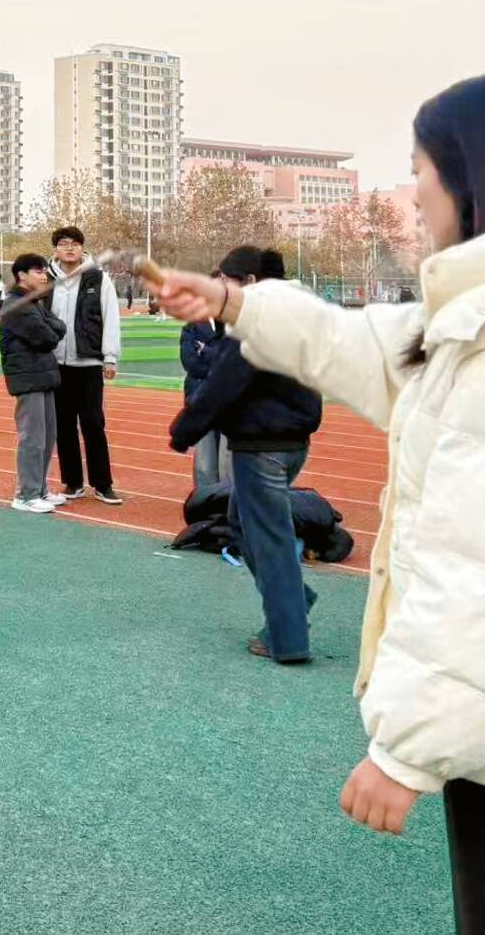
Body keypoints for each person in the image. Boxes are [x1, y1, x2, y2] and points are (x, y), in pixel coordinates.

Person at [158, 74, 485, 929]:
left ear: (467, 176)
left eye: (420, 170)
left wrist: (405, 753)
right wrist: (230, 302)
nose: (413, 192)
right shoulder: (458, 321)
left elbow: (470, 567)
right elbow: (353, 343)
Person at [170, 245, 323, 664]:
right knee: (242, 524)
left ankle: (287, 637)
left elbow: (223, 384)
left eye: (226, 280)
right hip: (289, 441)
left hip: (263, 447)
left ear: (250, 282)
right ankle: (294, 600)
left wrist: (183, 432)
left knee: (270, 541)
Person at [48, 226, 124, 505]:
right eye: (63, 243)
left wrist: (110, 356)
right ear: (56, 249)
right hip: (57, 364)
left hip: (89, 363)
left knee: (93, 424)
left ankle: (103, 484)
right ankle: (73, 482)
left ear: (82, 248)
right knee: (64, 426)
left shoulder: (98, 278)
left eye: (75, 243)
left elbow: (111, 317)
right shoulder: (47, 280)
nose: (69, 248)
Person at [0, 254, 67, 514]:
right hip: (28, 377)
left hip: (43, 375)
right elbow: (46, 337)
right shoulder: (17, 305)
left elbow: (57, 326)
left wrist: (51, 328)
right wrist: (51, 329)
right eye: (38, 271)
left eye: (44, 272)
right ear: (21, 275)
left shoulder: (33, 303)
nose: (43, 276)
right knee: (33, 438)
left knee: (47, 437)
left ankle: (39, 489)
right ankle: (26, 495)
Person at [180, 270, 233, 489]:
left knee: (228, 460)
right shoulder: (193, 325)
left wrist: (209, 353)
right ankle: (207, 499)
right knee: (205, 459)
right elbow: (191, 362)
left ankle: (227, 499)